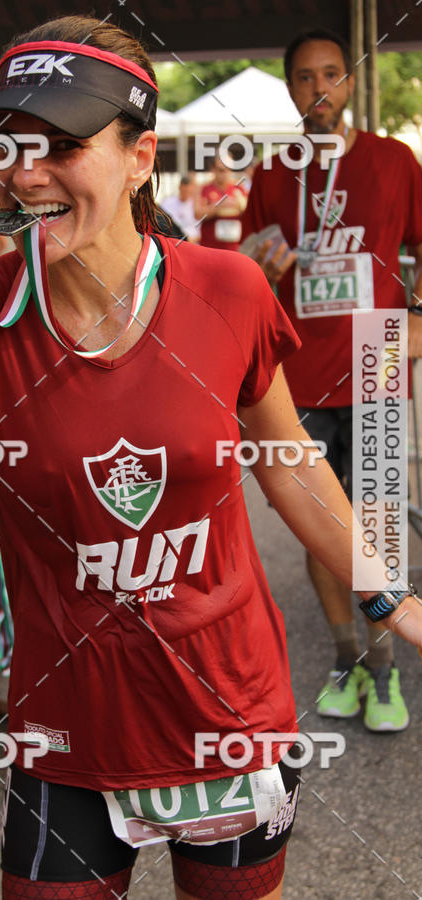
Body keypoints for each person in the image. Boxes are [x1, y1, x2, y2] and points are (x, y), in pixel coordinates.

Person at [0, 16, 422, 900]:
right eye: (9, 144)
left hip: (230, 719)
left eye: (63, 145)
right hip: (69, 733)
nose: (26, 172)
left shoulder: (227, 288)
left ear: (141, 158)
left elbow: (289, 462)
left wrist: (391, 597)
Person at [242, 28, 422, 733]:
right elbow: (250, 266)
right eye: (305, 77)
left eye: (332, 74)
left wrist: (418, 318)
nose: (320, 88)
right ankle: (348, 658)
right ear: (291, 89)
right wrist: (263, 265)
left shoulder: (393, 160)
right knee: (321, 523)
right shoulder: (272, 172)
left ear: (348, 82)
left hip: (377, 360)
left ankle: (384, 669)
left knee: (377, 525)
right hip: (299, 371)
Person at [195, 154, 247, 252]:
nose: (226, 173)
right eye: (221, 170)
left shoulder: (239, 188)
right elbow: (197, 214)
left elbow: (250, 213)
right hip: (210, 248)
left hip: (234, 249)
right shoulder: (203, 188)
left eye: (229, 169)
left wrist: (240, 206)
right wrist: (219, 206)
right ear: (213, 169)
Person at [160, 173, 201, 242]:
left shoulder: (197, 205)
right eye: (185, 189)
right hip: (173, 240)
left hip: (192, 242)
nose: (187, 191)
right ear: (180, 187)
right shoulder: (167, 202)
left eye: (189, 189)